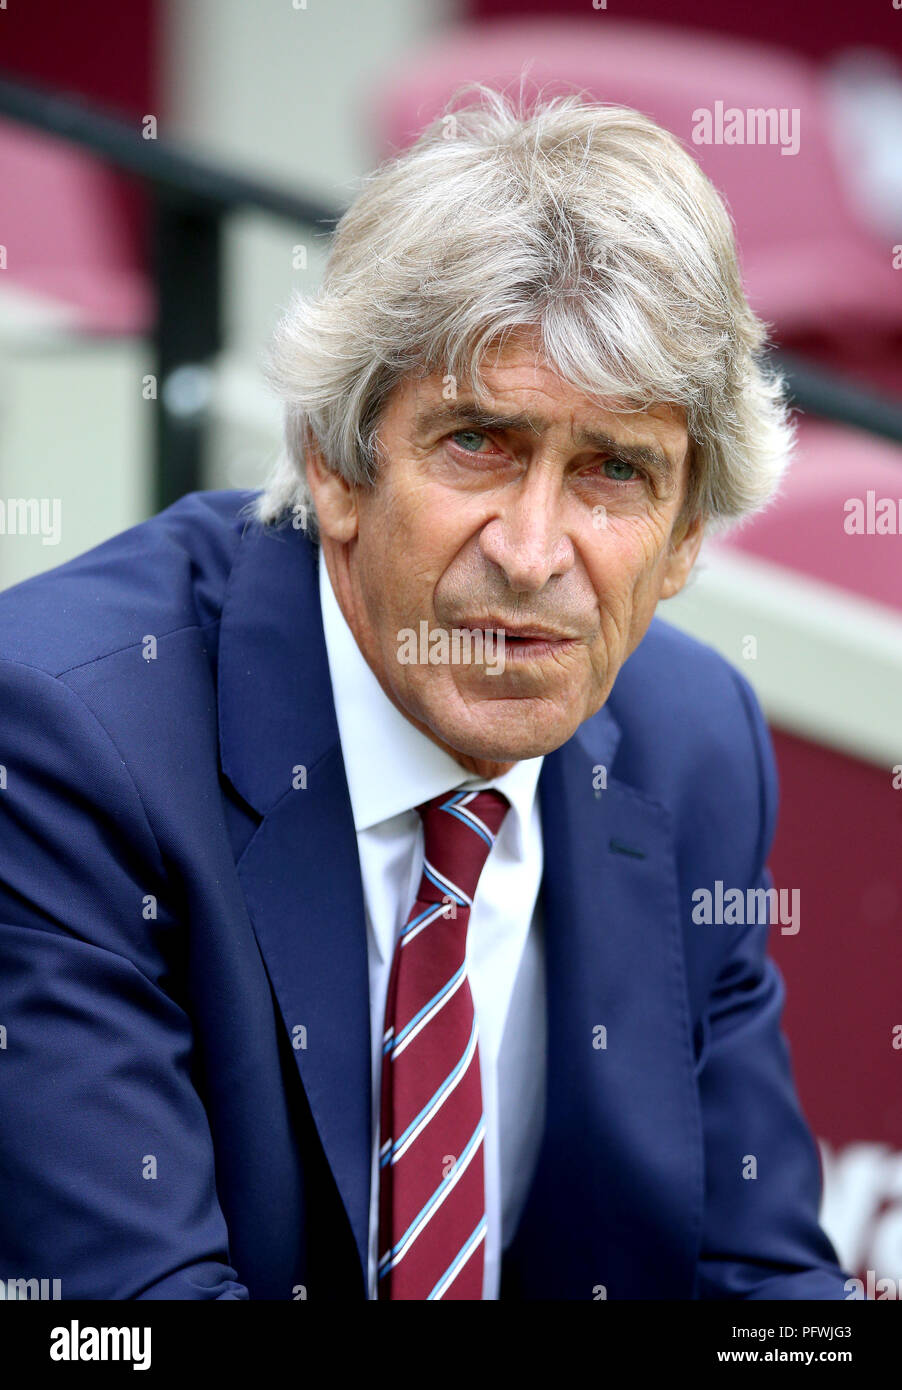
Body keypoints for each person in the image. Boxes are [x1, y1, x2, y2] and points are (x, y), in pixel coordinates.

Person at [0, 88, 849, 1299]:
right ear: (335, 467)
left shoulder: (693, 746)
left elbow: (756, 1278)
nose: (533, 548)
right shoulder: (67, 737)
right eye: (477, 443)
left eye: (613, 472)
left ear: (681, 546)